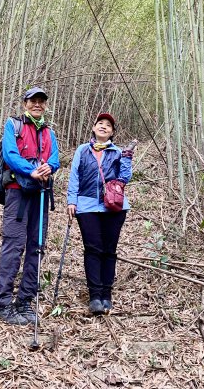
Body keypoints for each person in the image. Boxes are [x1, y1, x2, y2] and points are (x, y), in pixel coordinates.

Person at [0, 87, 60, 325]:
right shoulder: (13, 125)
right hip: (17, 193)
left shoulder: (49, 132)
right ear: (25, 104)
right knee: (13, 244)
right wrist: (32, 171)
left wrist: (47, 168)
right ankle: (1, 303)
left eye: (41, 101)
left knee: (36, 246)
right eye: (33, 101)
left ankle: (25, 301)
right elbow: (10, 155)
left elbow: (55, 159)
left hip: (41, 194)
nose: (37, 104)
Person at [67, 113, 135, 315]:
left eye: (108, 125)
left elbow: (125, 178)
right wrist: (72, 201)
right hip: (87, 206)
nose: (104, 127)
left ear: (113, 132)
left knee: (109, 250)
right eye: (100, 123)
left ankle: (107, 294)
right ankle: (95, 296)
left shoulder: (118, 152)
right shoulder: (82, 150)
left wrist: (127, 159)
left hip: (113, 207)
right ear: (94, 128)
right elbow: (74, 176)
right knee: (92, 249)